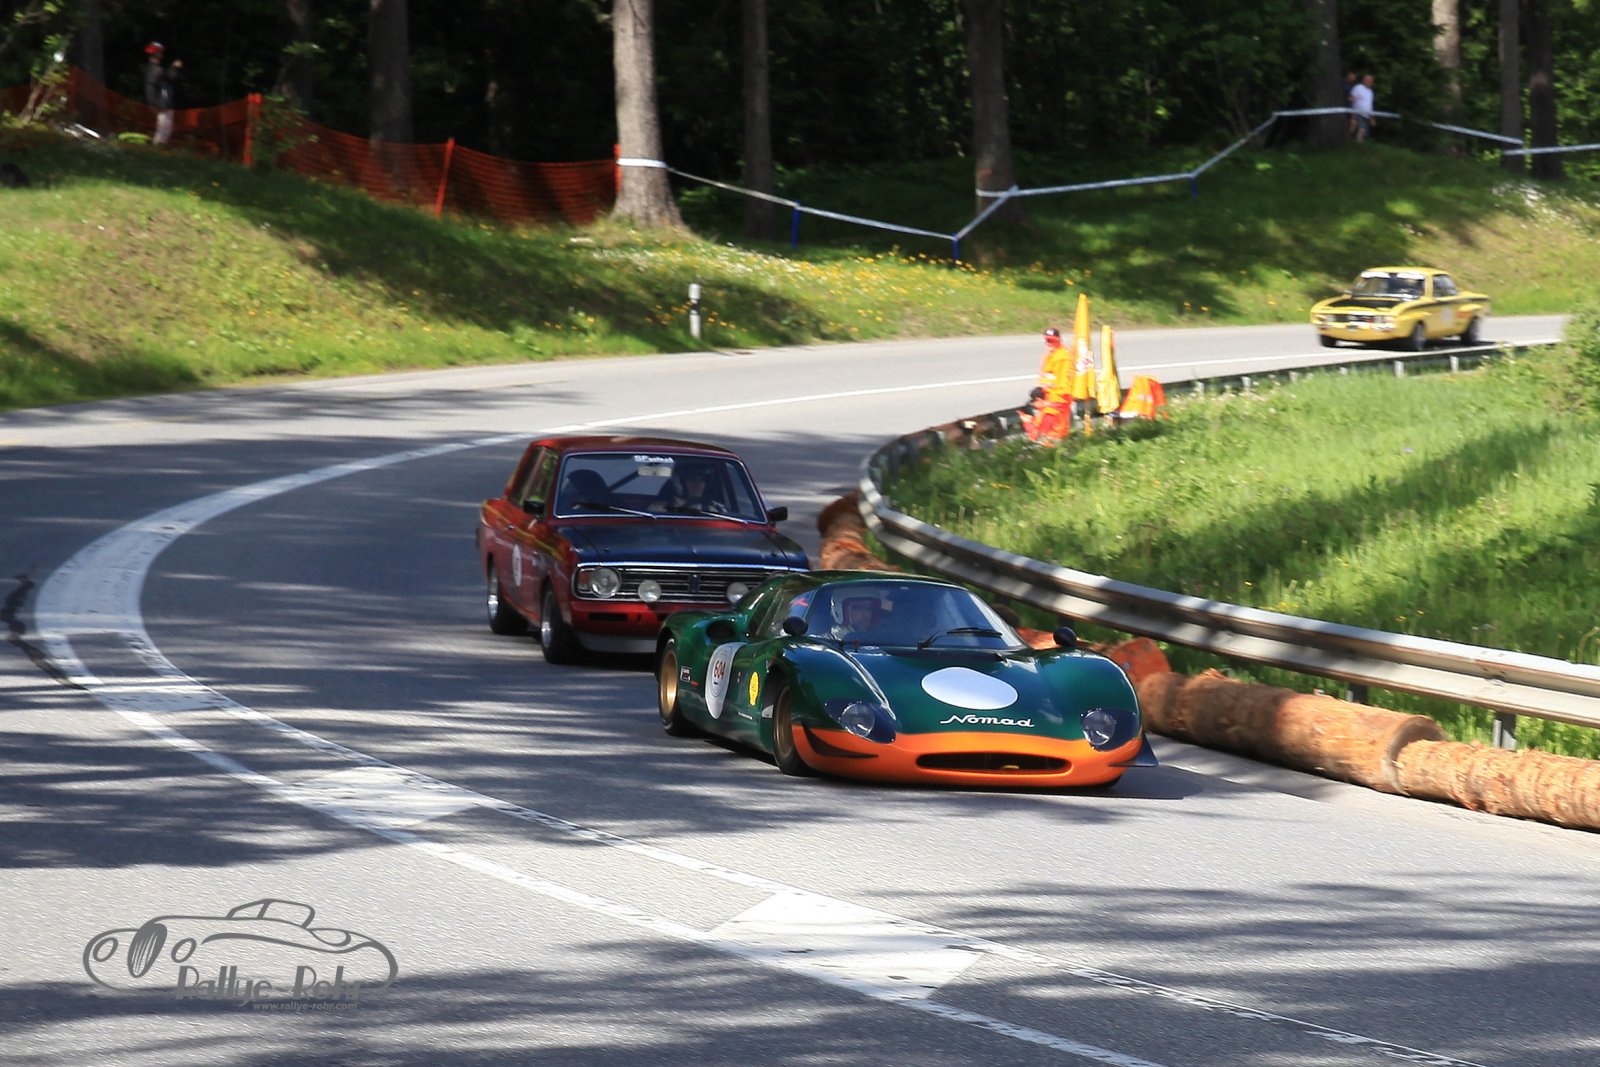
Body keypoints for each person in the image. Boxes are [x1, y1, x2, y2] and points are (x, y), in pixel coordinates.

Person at [143, 42, 182, 146]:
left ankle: (158, 145)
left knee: (163, 126)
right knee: (164, 126)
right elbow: (171, 77)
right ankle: (158, 146)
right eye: (160, 53)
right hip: (162, 103)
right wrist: (175, 67)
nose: (161, 55)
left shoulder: (151, 69)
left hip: (156, 102)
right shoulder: (157, 70)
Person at [654, 463, 725, 513]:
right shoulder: (660, 508)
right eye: (692, 480)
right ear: (679, 483)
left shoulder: (713, 509)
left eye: (702, 481)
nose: (697, 484)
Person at [1349, 73, 1375, 143]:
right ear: (1364, 80)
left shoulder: (1370, 92)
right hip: (1358, 113)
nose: (1369, 82)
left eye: (1371, 81)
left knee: (1364, 132)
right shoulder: (1358, 88)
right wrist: (1352, 113)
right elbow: (1352, 99)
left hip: (1366, 115)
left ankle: (1355, 142)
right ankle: (1357, 142)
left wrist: (1372, 117)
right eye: (1368, 81)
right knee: (1361, 129)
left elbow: (1370, 105)